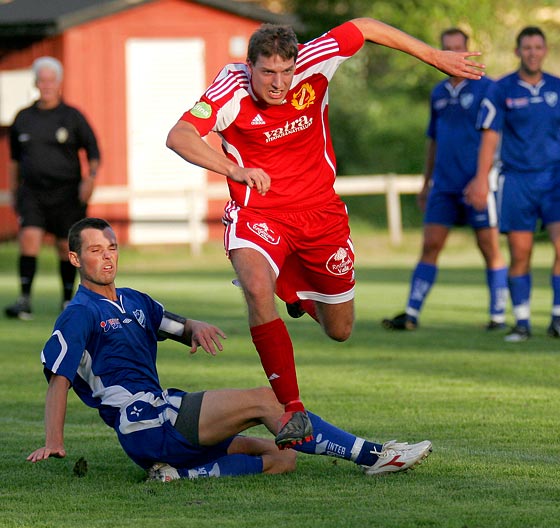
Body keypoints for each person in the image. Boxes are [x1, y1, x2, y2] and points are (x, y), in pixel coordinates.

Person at [165, 18, 485, 448]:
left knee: (340, 329)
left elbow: (365, 26)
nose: (278, 84)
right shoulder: (230, 88)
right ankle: (292, 407)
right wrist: (234, 168)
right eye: (267, 73)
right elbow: (179, 135)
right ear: (250, 67)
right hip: (259, 212)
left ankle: (296, 296)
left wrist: (433, 56)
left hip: (320, 215)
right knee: (258, 287)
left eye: (285, 72)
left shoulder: (317, 61)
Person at [26, 218, 433, 481]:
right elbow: (59, 379)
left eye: (111, 247)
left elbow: (175, 326)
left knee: (281, 457)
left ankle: (176, 476)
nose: (107, 257)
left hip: (164, 417)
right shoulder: (78, 313)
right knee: (266, 400)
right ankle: (374, 455)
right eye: (96, 251)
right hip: (145, 422)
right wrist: (54, 440)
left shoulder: (135, 300)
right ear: (76, 258)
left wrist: (195, 328)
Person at [466, 26, 560, 343]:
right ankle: (521, 322)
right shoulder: (502, 89)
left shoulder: (559, 88)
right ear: (517, 52)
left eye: (538, 47)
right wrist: (481, 180)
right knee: (521, 253)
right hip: (517, 181)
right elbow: (489, 137)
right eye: (527, 47)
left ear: (545, 51)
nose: (533, 52)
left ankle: (559, 319)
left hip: (555, 180)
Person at [382, 28, 508, 332]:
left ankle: (499, 316)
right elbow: (433, 141)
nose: (453, 53)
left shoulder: (487, 89)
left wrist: (482, 179)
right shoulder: (438, 93)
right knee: (431, 245)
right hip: (444, 184)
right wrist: (427, 183)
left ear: (468, 51)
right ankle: (411, 314)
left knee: (488, 246)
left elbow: (495, 137)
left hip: (477, 184)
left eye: (458, 48)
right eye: (447, 49)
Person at [5, 56, 101, 320]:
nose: (46, 85)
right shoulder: (23, 118)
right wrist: (13, 190)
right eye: (42, 80)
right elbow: (14, 159)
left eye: (51, 80)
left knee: (64, 245)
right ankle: (24, 299)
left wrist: (90, 179)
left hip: (67, 192)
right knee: (29, 238)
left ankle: (67, 300)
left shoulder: (72, 116)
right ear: (36, 83)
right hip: (32, 192)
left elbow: (93, 151)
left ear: (59, 83)